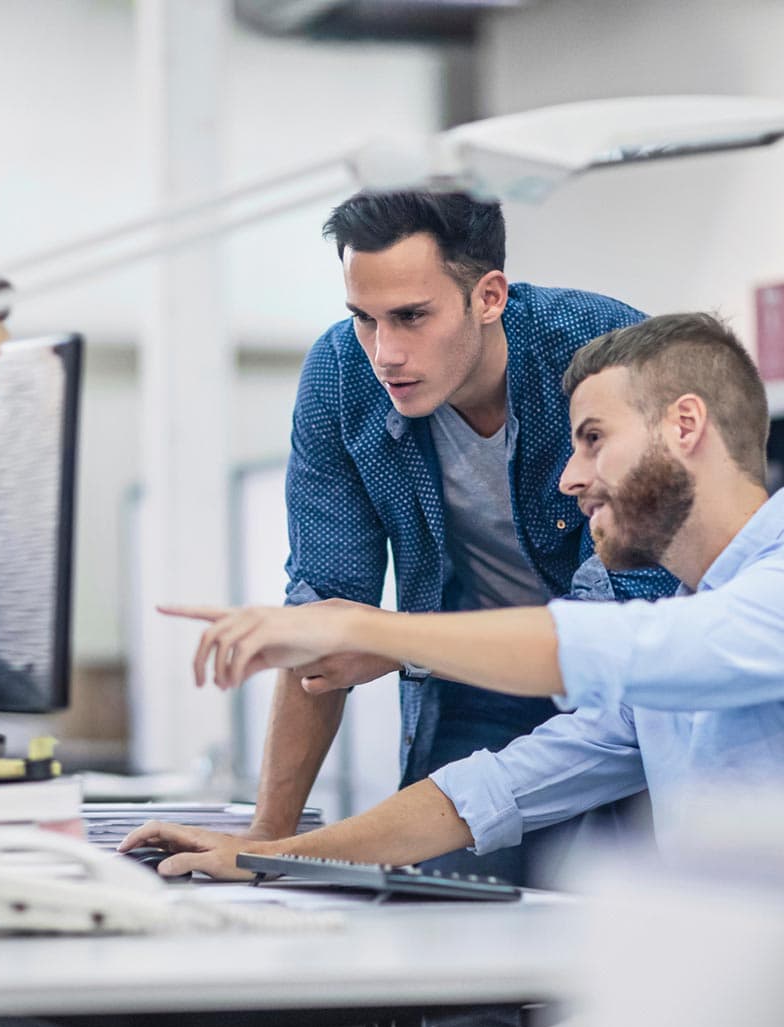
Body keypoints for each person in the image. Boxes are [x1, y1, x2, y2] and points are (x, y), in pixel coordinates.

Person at [121, 312, 781, 876]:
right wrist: (267, 855)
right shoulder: (675, 652)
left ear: (684, 425)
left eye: (593, 440)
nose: (570, 479)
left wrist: (362, 629)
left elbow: (600, 647)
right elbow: (492, 791)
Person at [231, 189, 675, 885]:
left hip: (624, 686)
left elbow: (622, 628)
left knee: (621, 897)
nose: (385, 353)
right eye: (364, 318)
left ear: (489, 296)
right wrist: (265, 843)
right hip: (468, 682)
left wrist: (397, 642)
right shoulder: (343, 375)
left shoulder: (603, 355)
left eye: (411, 316)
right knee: (443, 897)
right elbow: (323, 612)